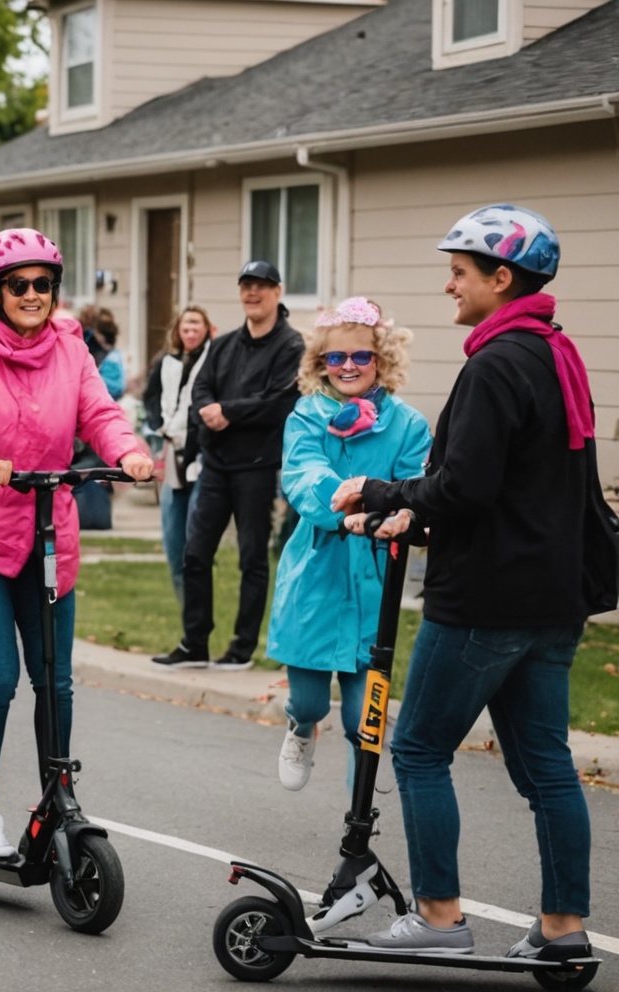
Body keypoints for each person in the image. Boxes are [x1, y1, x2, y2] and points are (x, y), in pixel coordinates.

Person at [333, 205, 594, 957]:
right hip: (552, 599)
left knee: (416, 750)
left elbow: (465, 488)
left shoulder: (496, 363)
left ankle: (439, 919)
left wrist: (381, 494)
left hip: (487, 598)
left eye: (460, 272)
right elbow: (523, 483)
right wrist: (410, 511)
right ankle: (562, 931)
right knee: (547, 768)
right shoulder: (556, 353)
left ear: (501, 277)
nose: (449, 285)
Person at [0, 228, 152, 857]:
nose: (32, 294)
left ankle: (58, 795)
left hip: (46, 532)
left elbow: (100, 414)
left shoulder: (71, 349)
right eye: (18, 284)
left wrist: (129, 453)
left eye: (43, 284)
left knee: (55, 679)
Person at [265, 297, 429, 792]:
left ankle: (361, 809)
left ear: (381, 360)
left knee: (364, 718)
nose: (349, 366)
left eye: (361, 356)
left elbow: (415, 484)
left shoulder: (408, 424)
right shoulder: (307, 416)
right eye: (337, 358)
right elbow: (303, 474)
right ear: (321, 364)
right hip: (316, 571)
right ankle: (300, 729)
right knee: (312, 701)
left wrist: (402, 512)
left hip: (373, 576)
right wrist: (351, 501)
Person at [154, 261, 303, 672]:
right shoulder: (223, 346)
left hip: (257, 467)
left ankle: (241, 649)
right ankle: (194, 644)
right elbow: (200, 388)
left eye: (261, 286)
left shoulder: (291, 346)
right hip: (215, 466)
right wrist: (207, 410)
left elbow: (279, 402)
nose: (252, 293)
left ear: (277, 291)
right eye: (246, 286)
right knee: (195, 554)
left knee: (252, 559)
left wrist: (229, 412)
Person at [140, 305, 216, 607]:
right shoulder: (167, 362)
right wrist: (159, 424)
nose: (191, 332)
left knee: (195, 539)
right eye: (185, 326)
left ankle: (198, 610)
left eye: (197, 325)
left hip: (203, 456)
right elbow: (151, 396)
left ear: (207, 329)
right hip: (173, 450)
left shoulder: (214, 361)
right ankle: (186, 606)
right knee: (173, 537)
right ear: (178, 331)